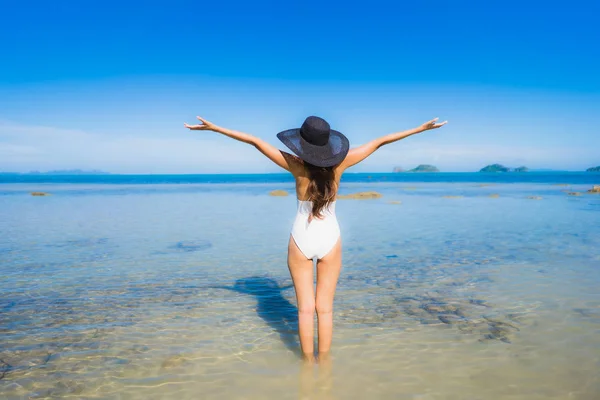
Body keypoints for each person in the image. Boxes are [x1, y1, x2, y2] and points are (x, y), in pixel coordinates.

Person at [184, 115, 447, 362]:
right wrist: (419, 129)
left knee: (305, 310)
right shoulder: (342, 163)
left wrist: (215, 128)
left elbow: (254, 141)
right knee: (326, 309)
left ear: (302, 144)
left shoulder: (295, 165)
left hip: (301, 237)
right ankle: (325, 366)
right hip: (330, 237)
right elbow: (380, 141)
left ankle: (307, 366)